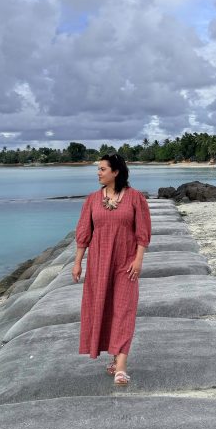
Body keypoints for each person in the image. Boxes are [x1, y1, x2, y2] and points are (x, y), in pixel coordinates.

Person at [72, 153, 151, 386]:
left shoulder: (136, 198)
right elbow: (84, 233)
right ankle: (115, 358)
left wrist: (138, 260)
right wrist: (78, 262)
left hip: (126, 263)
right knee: (105, 309)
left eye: (102, 169)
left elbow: (143, 232)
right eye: (98, 169)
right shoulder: (92, 200)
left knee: (124, 310)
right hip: (98, 264)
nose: (98, 173)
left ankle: (122, 367)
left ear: (116, 172)